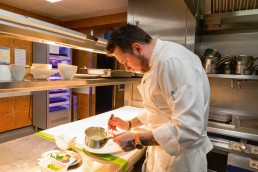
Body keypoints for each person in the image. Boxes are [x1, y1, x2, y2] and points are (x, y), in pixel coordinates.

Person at [106, 24, 213, 172]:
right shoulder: (155, 62)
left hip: (180, 160)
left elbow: (189, 128)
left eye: (125, 62)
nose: (127, 69)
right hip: (162, 153)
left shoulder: (171, 61)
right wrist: (129, 124)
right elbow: (159, 107)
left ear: (137, 48)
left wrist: (137, 139)